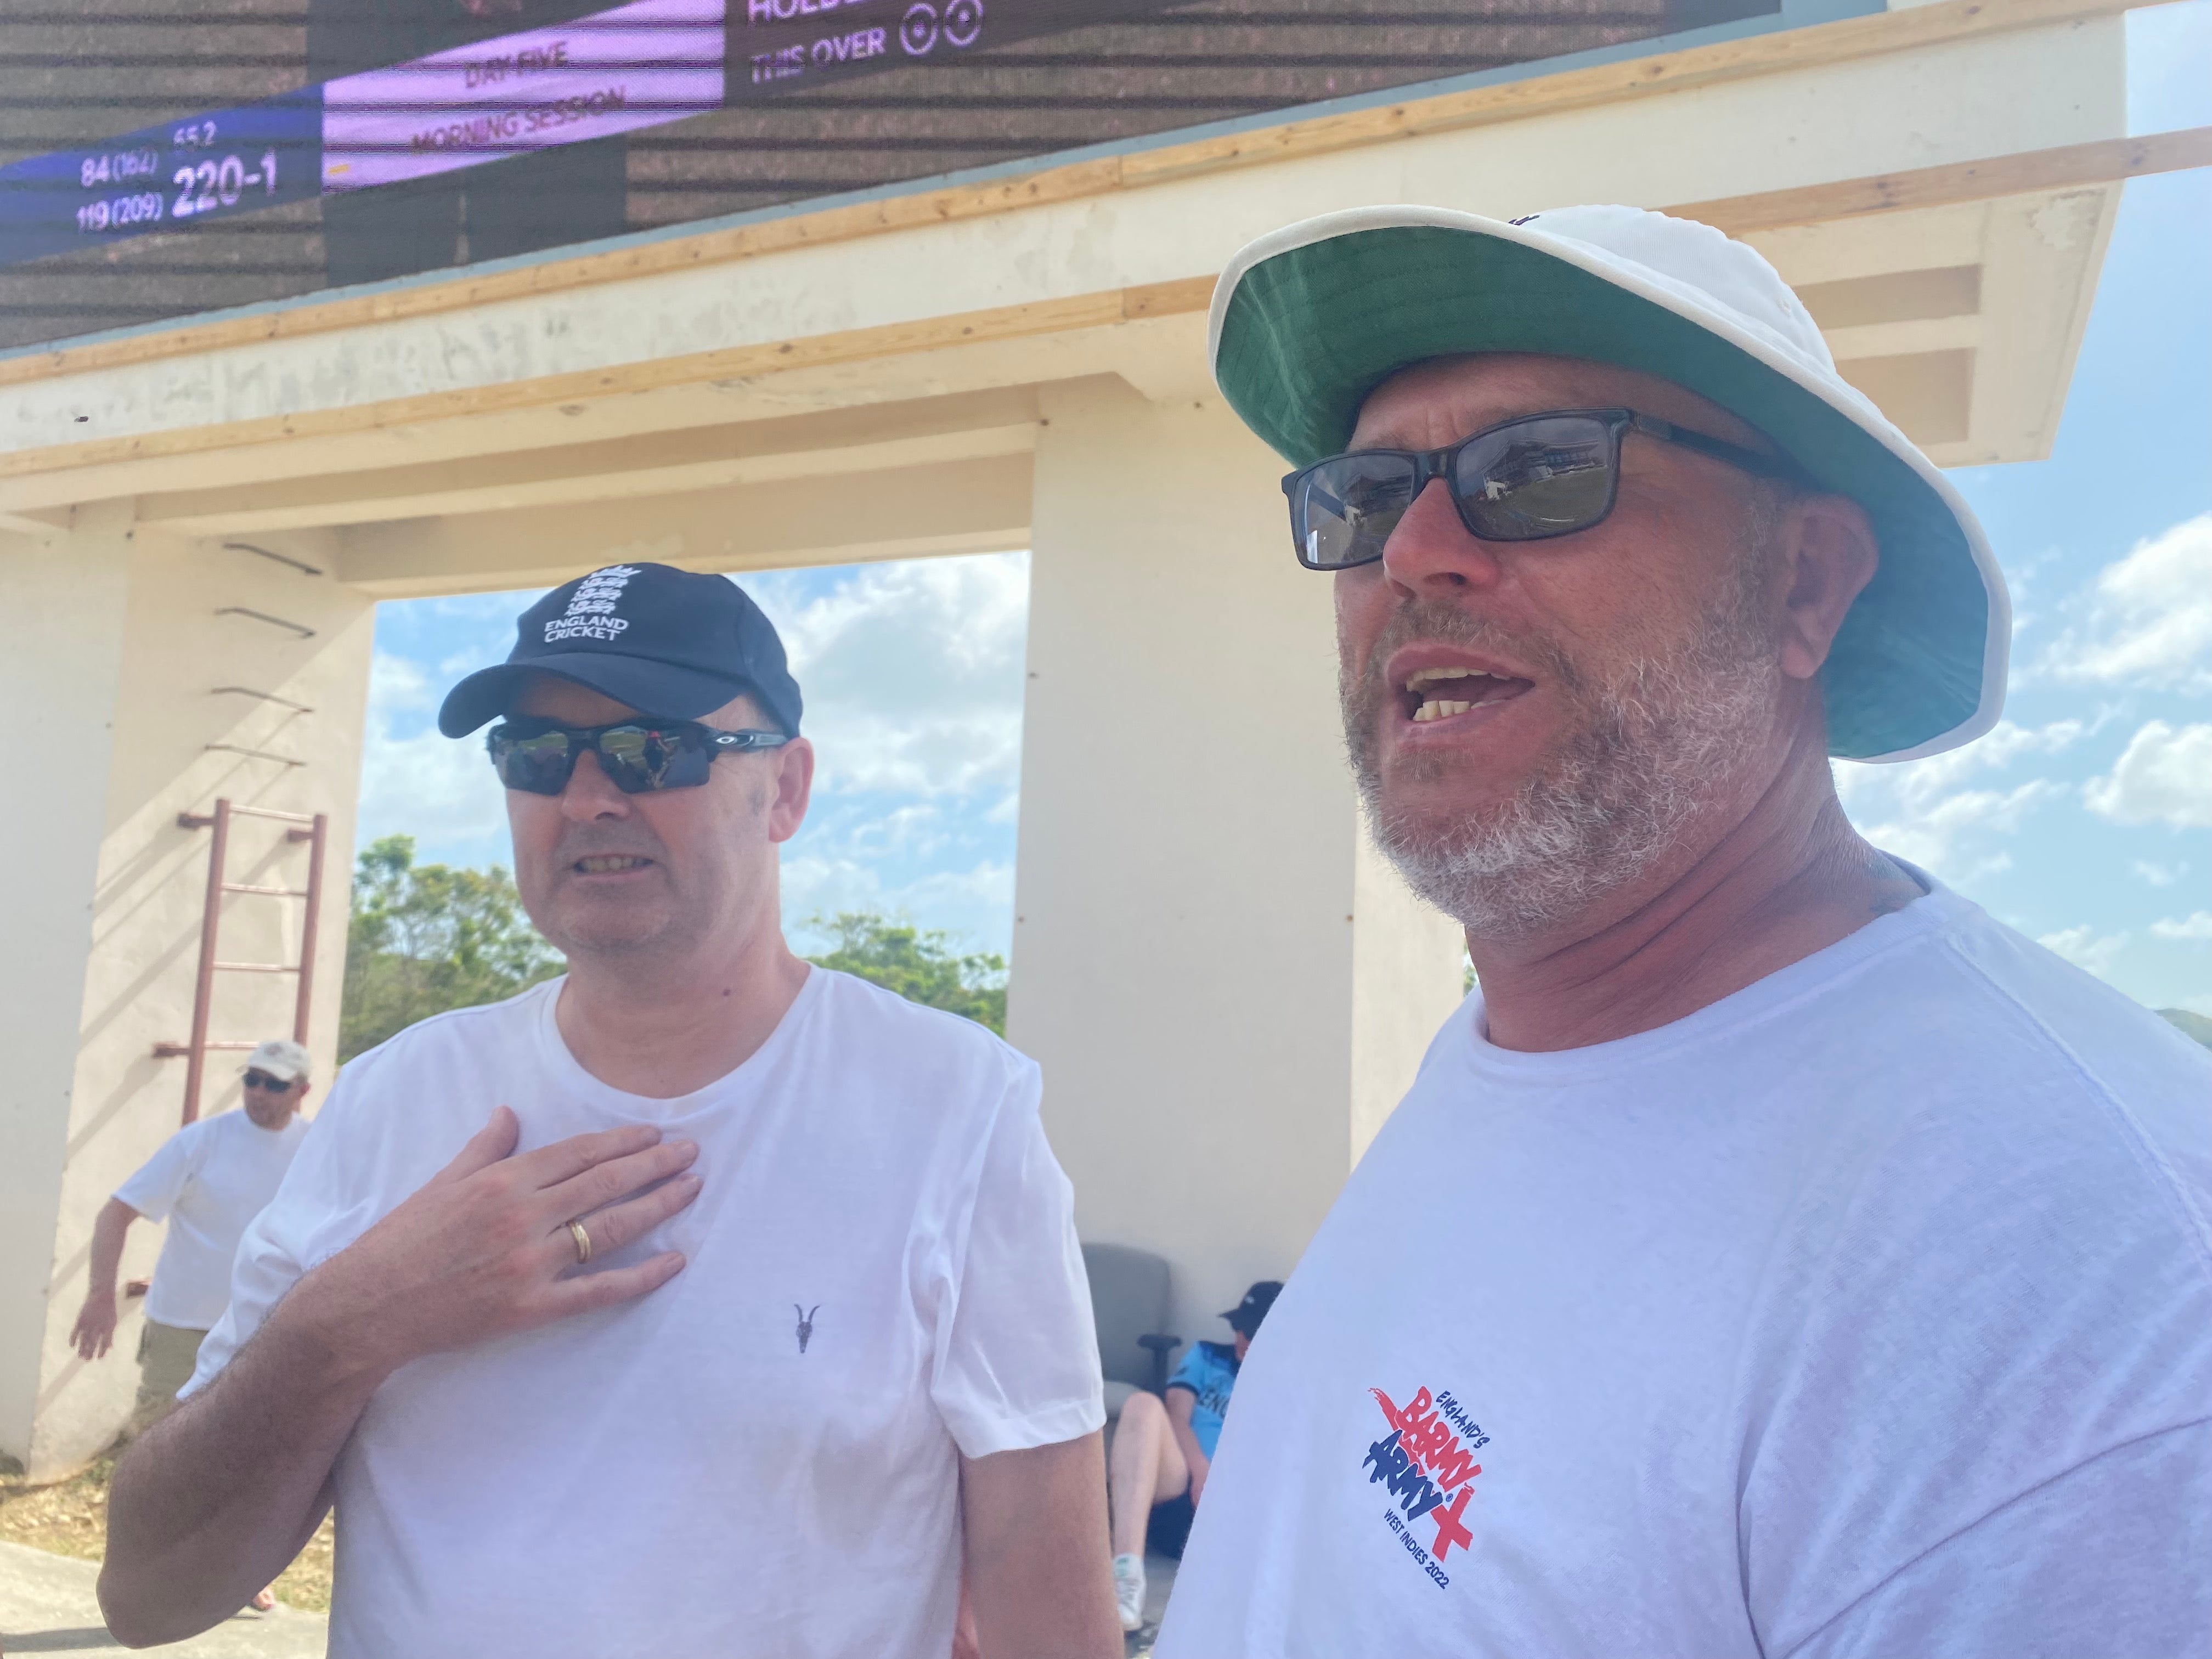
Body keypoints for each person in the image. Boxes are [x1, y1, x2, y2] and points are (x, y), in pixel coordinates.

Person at [1158, 205, 2212, 1657]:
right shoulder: (1513, 1052)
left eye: (1535, 472)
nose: (1413, 552)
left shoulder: (2071, 1271)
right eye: (1363, 493)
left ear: (1805, 585)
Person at [100, 564, 1120, 1659]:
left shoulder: (956, 1111)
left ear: (786, 789)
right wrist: (351, 1324)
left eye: (652, 748)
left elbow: (1043, 1608)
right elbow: (150, 1598)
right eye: (537, 755)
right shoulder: (397, 1099)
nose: (587, 797)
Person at [71, 1040, 314, 1437]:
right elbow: (116, 1213)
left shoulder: (315, 1149)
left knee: (252, 1453)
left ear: (302, 1091)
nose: (258, 1092)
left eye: (274, 1085)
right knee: (158, 1447)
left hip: (269, 1330)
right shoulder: (201, 1141)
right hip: (184, 1331)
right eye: (252, 1079)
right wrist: (100, 1295)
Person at [1107, 1280, 1278, 1632]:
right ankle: (1126, 1580)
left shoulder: (1286, 1384)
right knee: (1143, 1405)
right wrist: (1201, 1470)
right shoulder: (1207, 1355)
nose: (1241, 1340)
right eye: (1239, 1328)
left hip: (1226, 1519)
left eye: (1254, 1332)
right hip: (1180, 1486)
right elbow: (1176, 1414)